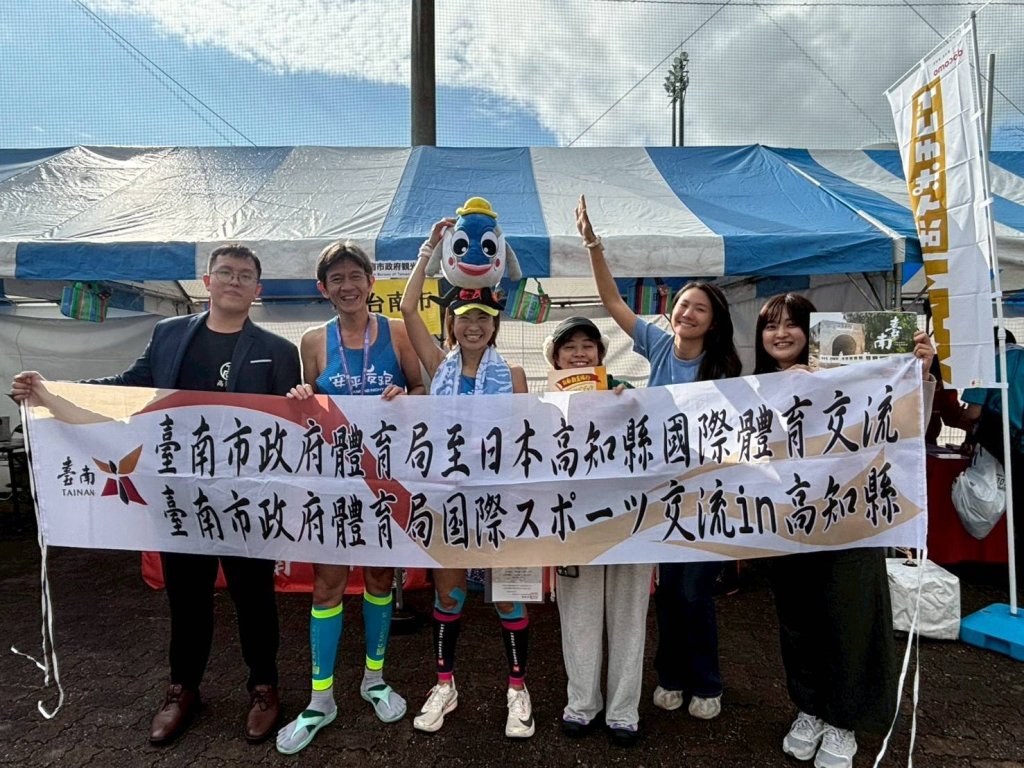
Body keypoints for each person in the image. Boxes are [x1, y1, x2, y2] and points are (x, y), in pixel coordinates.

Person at [11, 244, 301, 745]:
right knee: (187, 601)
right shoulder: (169, 335)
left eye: (246, 275)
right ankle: (183, 688)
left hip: (247, 501)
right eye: (225, 272)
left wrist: (303, 400)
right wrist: (51, 392)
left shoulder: (279, 351)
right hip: (180, 501)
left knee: (255, 600)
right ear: (207, 283)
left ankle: (264, 686)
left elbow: (293, 429)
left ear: (258, 289)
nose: (235, 281)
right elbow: (124, 390)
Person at [575, 195, 740, 723]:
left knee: (696, 592)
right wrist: (593, 246)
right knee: (669, 591)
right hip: (657, 495)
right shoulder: (659, 345)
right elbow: (612, 302)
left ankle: (706, 681)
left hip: (704, 496)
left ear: (713, 322)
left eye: (698, 308)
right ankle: (669, 676)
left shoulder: (726, 369)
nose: (686, 313)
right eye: (682, 305)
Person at [754, 292, 934, 768]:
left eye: (794, 324)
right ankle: (810, 708)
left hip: (853, 522)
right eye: (772, 325)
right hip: (786, 528)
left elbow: (908, 426)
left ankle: (844, 722)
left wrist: (919, 372)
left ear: (815, 331)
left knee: (852, 620)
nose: (782, 333)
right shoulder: (749, 389)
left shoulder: (857, 378)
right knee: (799, 622)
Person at [276, 241, 426, 755]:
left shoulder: (400, 333)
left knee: (381, 579)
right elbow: (307, 406)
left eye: (354, 275)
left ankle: (374, 679)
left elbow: (427, 394)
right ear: (324, 288)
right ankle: (321, 699)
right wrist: (300, 398)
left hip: (385, 480)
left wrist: (407, 398)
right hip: (334, 483)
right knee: (327, 585)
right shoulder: (313, 341)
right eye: (335, 278)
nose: (346, 285)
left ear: (370, 282)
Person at [400, 219, 534, 738]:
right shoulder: (437, 366)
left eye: (482, 318)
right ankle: (444, 685)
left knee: (509, 599)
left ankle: (518, 689)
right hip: (447, 501)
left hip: (499, 504)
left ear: (494, 325)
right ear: (452, 324)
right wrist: (429, 250)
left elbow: (532, 442)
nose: (473, 326)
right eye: (464, 318)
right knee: (448, 597)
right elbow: (409, 309)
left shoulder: (516, 376)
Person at [542, 316, 652, 747]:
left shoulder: (626, 391)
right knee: (579, 618)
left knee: (628, 618)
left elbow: (658, 435)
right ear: (555, 358)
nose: (580, 354)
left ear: (602, 358)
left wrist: (633, 403)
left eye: (589, 346)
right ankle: (582, 704)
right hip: (576, 526)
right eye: (570, 347)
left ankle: (624, 710)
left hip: (630, 525)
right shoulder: (544, 403)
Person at [960, 328, 1023, 584]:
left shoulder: (987, 363)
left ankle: (1008, 575)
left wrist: (961, 421)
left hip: (1007, 446)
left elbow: (973, 414)